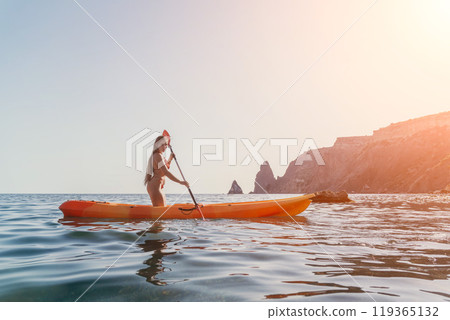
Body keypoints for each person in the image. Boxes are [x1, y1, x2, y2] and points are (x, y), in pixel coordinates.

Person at [144, 135, 189, 206]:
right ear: (157, 145)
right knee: (160, 211)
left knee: (163, 207)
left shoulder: (160, 155)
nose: (164, 146)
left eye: (166, 144)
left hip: (158, 187)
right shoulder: (157, 156)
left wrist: (170, 158)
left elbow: (164, 169)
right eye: (162, 144)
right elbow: (166, 172)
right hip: (155, 187)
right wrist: (180, 182)